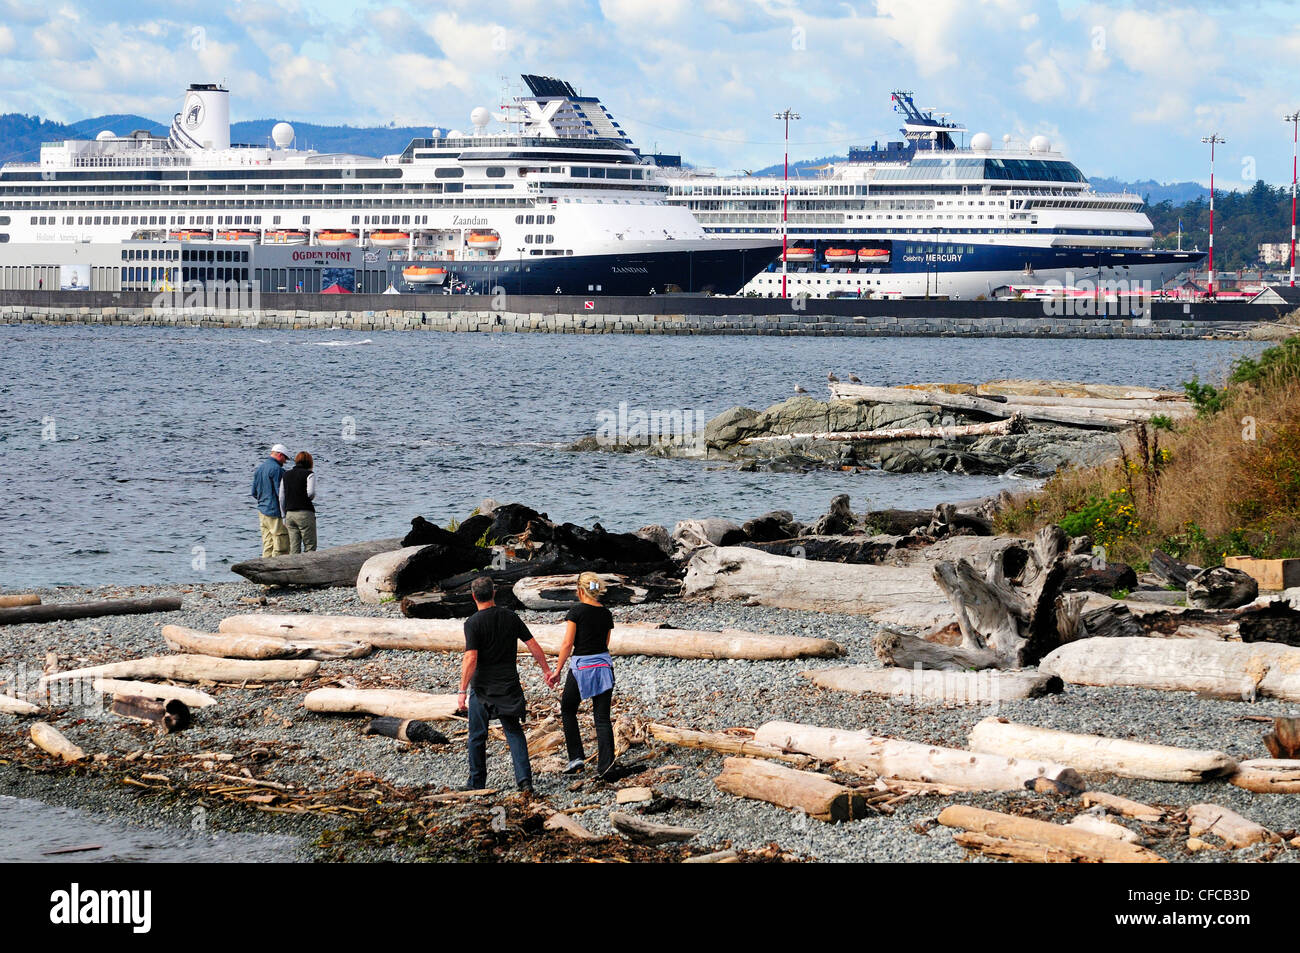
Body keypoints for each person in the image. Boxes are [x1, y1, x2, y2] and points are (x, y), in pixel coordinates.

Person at [459, 576, 556, 792]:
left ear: (474, 596)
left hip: (482, 687)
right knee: (514, 732)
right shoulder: (510, 617)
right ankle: (524, 781)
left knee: (477, 735)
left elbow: (470, 658)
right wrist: (547, 670)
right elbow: (532, 645)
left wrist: (461, 690)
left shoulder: (472, 623)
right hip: (508, 685)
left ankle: (476, 782)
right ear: (494, 593)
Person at [554, 572, 616, 776]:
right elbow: (605, 643)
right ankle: (606, 765)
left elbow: (567, 643)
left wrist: (557, 670)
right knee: (602, 717)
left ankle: (576, 757)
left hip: (582, 667)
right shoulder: (606, 613)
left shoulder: (576, 611)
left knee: (568, 708)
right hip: (604, 667)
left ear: (580, 590)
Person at [250, 444, 291, 558]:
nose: (285, 462)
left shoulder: (260, 469)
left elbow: (254, 492)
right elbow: (281, 494)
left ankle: (264, 570)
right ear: (279, 455)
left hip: (262, 511)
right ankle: (277, 571)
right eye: (285, 458)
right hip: (275, 513)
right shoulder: (277, 470)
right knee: (280, 545)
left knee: (267, 545)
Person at [278, 450, 317, 554]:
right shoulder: (309, 474)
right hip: (305, 513)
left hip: (289, 514)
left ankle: (294, 568)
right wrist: (304, 498)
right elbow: (311, 493)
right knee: (310, 547)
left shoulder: (286, 475)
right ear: (310, 462)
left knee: (294, 548)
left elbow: (281, 497)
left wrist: (283, 516)